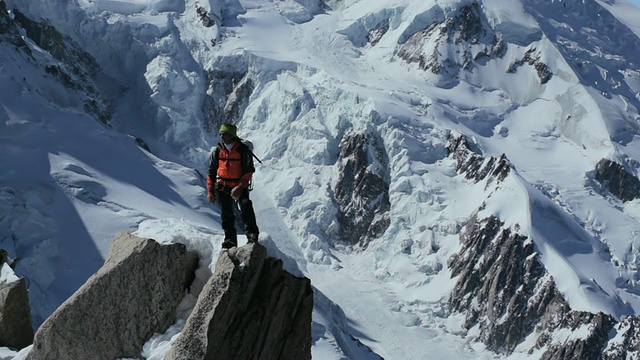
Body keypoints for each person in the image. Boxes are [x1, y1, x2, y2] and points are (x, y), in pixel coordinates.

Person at [207, 123, 260, 249]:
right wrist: (210, 190)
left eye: (224, 134)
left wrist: (240, 187)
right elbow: (211, 171)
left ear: (231, 135)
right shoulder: (218, 151)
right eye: (221, 134)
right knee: (227, 214)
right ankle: (230, 240)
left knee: (246, 208)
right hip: (222, 186)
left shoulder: (243, 150)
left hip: (239, 185)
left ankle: (252, 235)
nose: (222, 136)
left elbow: (248, 171)